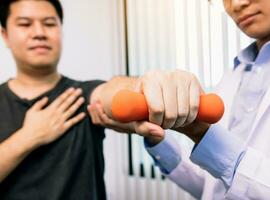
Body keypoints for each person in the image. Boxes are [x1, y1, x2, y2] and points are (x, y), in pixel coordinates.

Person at [91, 0, 270, 199]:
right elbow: (216, 184)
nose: (236, 4)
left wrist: (201, 133)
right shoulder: (236, 72)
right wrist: (159, 139)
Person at [0, 0, 203, 199]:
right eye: (25, 24)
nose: (39, 33)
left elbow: (111, 92)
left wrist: (146, 87)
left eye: (50, 23)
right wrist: (29, 136)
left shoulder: (81, 95)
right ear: (5, 35)